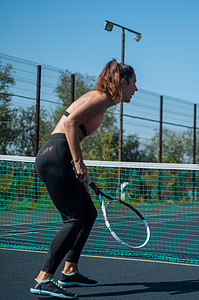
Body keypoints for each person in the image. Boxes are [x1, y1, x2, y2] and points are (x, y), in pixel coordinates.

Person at [30, 59, 138, 299]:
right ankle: (43, 278)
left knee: (88, 213)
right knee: (73, 219)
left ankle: (70, 271)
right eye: (134, 83)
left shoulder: (101, 98)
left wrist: (77, 166)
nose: (136, 89)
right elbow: (68, 123)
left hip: (59, 156)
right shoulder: (102, 97)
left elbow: (72, 130)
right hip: (55, 155)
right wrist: (77, 163)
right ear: (123, 82)